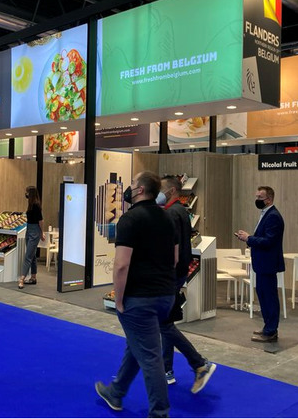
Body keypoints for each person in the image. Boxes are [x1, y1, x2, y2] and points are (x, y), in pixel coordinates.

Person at [95, 171, 177, 418]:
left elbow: (121, 264)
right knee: (138, 343)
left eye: (132, 184)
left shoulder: (130, 219)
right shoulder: (167, 217)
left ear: (140, 190)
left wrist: (119, 299)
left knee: (150, 357)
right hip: (166, 295)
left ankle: (159, 412)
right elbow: (174, 258)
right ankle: (116, 392)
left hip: (140, 298)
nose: (129, 188)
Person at [157, 175, 216, 392]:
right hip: (177, 273)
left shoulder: (171, 214)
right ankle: (167, 369)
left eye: (161, 189)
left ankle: (199, 363)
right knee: (166, 323)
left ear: (172, 190)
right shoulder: (180, 211)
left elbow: (169, 249)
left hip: (171, 275)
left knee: (164, 325)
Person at [235, 186, 285, 343]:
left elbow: (269, 241)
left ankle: (271, 331)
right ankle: (267, 326)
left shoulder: (273, 216)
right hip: (262, 264)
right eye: (256, 196)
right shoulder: (266, 214)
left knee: (269, 298)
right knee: (263, 296)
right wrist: (248, 238)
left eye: (259, 197)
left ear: (268, 199)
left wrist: (248, 238)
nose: (256, 200)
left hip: (268, 264)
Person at [18, 186, 45, 289]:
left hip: (34, 231)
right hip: (29, 229)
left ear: (31, 193)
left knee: (28, 256)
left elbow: (41, 221)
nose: (26, 194)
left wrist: (41, 233)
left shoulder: (36, 205)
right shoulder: (30, 205)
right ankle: (33, 277)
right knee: (32, 255)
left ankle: (22, 278)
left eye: (27, 192)